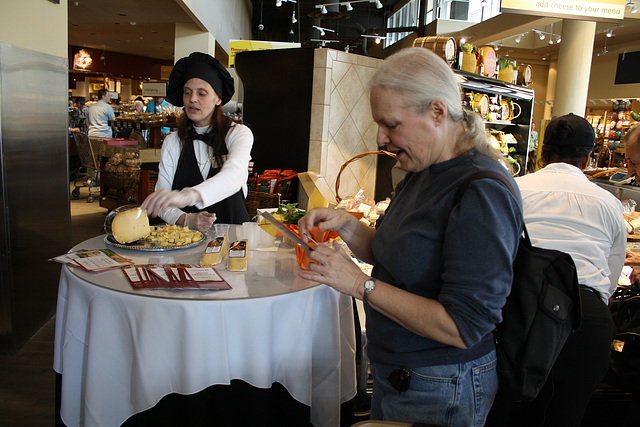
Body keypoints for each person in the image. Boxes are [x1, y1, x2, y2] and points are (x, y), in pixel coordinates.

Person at [297, 47, 523, 426]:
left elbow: (462, 326)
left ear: (437, 112)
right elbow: (396, 257)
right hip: (401, 374)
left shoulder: (482, 190)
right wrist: (348, 226)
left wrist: (358, 284)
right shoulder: (422, 170)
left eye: (391, 124)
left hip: (442, 386)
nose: (382, 138)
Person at [509, 113, 625, 426]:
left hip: (523, 311)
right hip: (586, 320)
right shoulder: (608, 201)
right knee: (567, 415)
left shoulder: (514, 189)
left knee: (515, 412)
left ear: (542, 153)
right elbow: (611, 277)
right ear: (587, 158)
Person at [140, 52, 253, 230]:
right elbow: (163, 202)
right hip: (186, 243)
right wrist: (186, 219)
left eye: (201, 93)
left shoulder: (238, 134)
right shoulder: (173, 142)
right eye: (188, 92)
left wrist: (188, 195)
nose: (193, 99)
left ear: (218, 99)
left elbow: (234, 175)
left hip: (234, 238)